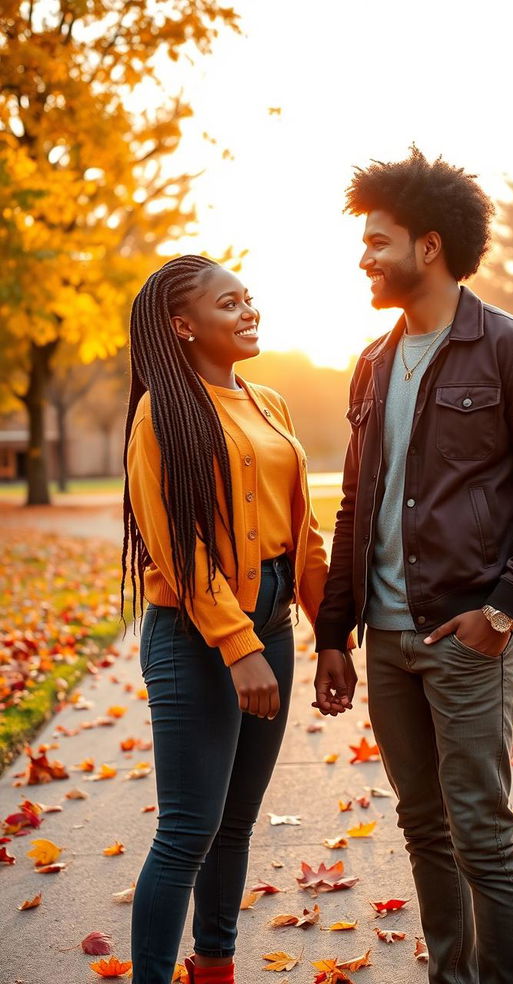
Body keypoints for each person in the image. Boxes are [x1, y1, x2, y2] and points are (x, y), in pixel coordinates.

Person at [313, 148, 513, 984]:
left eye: (378, 241)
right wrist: (334, 632)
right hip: (388, 642)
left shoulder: (511, 348)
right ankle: (451, 975)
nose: (364, 256)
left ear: (428, 247)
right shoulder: (371, 359)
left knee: (481, 834)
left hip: (469, 637)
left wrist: (501, 610)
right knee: (423, 827)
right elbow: (357, 504)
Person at [122, 255, 351, 984]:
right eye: (230, 304)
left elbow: (304, 537)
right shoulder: (161, 412)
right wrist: (237, 645)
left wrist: (332, 634)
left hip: (275, 624)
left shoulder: (270, 404)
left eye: (250, 299)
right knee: (189, 828)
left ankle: (214, 969)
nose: (249, 311)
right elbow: (177, 549)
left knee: (234, 826)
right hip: (194, 637)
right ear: (183, 325)